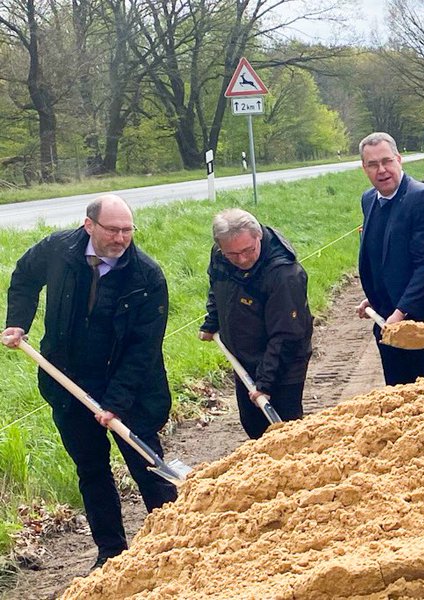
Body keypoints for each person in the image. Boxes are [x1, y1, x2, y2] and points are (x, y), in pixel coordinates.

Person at [2, 195, 177, 570]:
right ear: (89, 226)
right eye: (112, 230)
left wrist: (115, 401)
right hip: (68, 383)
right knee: (91, 470)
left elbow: (143, 349)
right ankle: (111, 553)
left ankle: (175, 542)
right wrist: (18, 320)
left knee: (148, 466)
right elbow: (24, 276)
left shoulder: (147, 276)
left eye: (127, 230)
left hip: (130, 388)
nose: (120, 238)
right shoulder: (58, 249)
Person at [356, 132, 424, 385]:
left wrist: (400, 312)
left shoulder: (423, 199)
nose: (381, 170)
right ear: (364, 168)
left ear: (399, 159)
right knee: (398, 398)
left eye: (387, 161)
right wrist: (374, 298)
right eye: (373, 165)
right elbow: (384, 256)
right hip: (389, 323)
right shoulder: (368, 200)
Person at [198, 208, 313, 439]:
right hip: (244, 357)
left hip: (284, 363)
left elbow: (286, 336)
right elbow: (218, 289)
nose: (242, 260)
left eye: (248, 250)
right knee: (253, 425)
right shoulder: (221, 255)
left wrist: (265, 383)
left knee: (286, 430)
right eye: (233, 254)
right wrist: (212, 321)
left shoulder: (284, 274)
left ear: (258, 235)